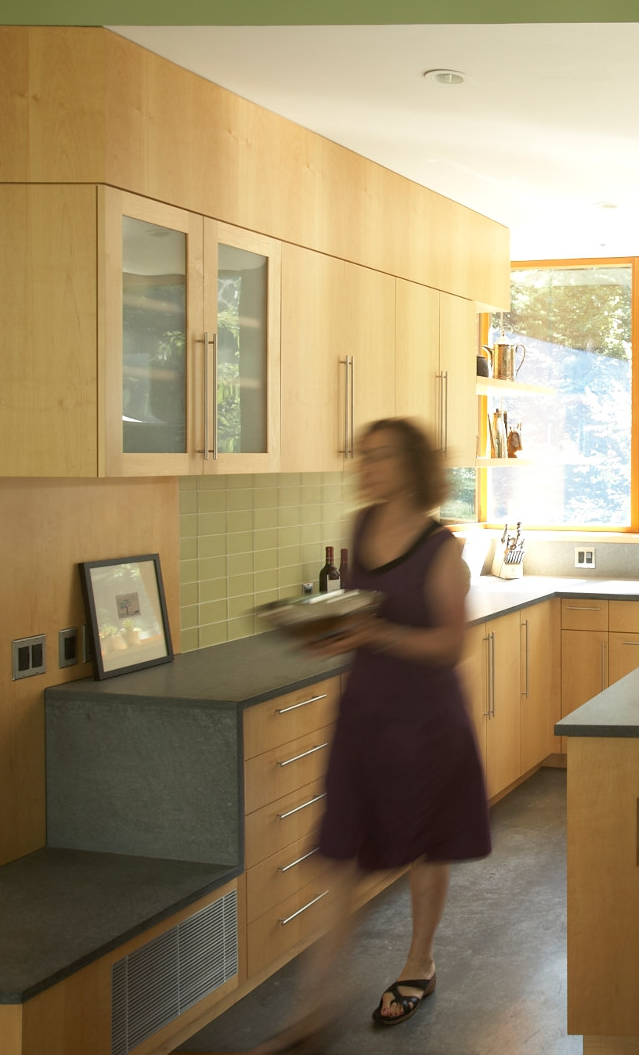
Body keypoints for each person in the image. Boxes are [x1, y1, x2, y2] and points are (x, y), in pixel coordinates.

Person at [266, 416, 489, 1049]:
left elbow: (452, 646)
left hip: (425, 724)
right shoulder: (359, 527)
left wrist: (373, 635)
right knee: (343, 853)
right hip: (364, 715)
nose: (366, 467)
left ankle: (418, 964)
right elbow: (356, 614)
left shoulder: (441, 548)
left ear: (413, 466)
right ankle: (313, 1011)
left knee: (426, 846)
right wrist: (326, 637)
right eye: (363, 456)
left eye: (380, 457)